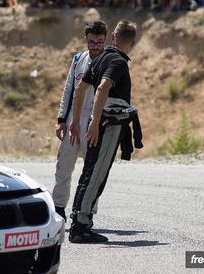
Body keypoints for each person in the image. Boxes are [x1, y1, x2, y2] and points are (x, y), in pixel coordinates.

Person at [68, 20, 143, 243]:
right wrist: (94, 122)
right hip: (108, 125)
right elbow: (102, 88)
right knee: (97, 173)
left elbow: (79, 89)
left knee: (89, 171)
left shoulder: (99, 58)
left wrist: (77, 121)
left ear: (113, 37)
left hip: (100, 123)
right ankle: (81, 227)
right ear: (133, 42)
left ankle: (79, 221)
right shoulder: (118, 61)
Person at [53, 20, 108, 222]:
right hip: (72, 121)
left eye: (99, 42)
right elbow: (68, 90)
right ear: (86, 39)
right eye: (92, 42)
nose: (95, 46)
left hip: (95, 123)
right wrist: (61, 119)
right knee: (63, 167)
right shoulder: (78, 59)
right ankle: (58, 208)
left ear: (106, 40)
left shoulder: (110, 61)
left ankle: (86, 214)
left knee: (91, 173)